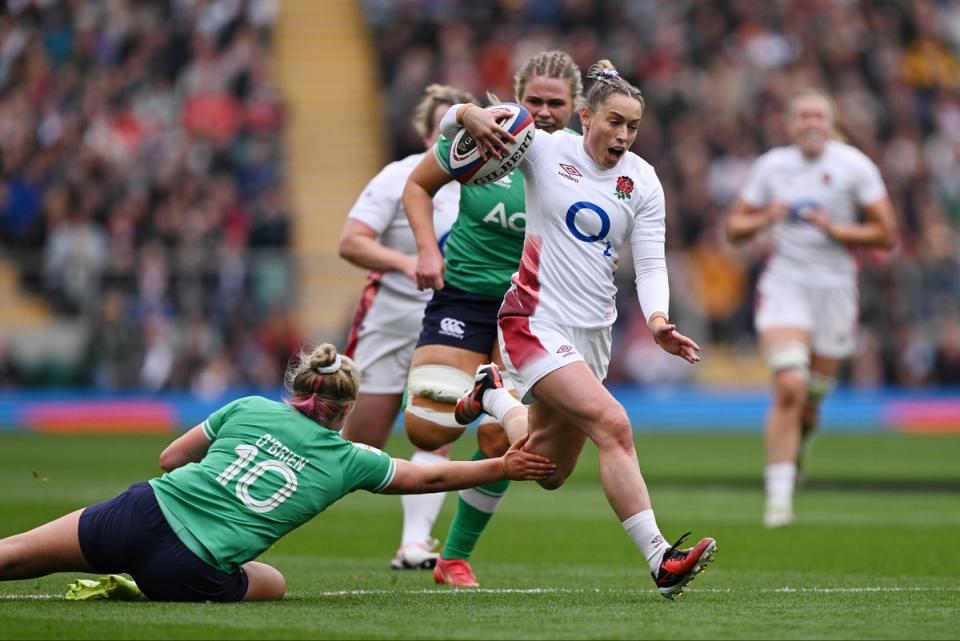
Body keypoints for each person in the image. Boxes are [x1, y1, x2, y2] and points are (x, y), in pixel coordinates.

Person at [422, 60, 717, 600]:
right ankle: (661, 559)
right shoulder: (542, 146)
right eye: (614, 121)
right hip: (534, 319)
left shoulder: (643, 180)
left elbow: (650, 264)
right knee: (614, 424)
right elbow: (449, 132)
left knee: (549, 470)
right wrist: (467, 112)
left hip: (592, 333)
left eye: (632, 125)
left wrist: (656, 320)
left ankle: (494, 397)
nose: (623, 135)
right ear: (586, 117)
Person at [0, 343, 555, 602]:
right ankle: (136, 580)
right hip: (189, 570)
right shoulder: (352, 459)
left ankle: (122, 562)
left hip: (140, 511)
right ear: (346, 408)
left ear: (297, 386)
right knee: (274, 583)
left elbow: (169, 459)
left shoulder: (248, 407)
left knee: (19, 553)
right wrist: (504, 464)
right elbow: (428, 477)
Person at [400, 50, 583, 587]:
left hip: (531, 309)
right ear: (515, 97)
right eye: (534, 100)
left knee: (500, 443)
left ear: (576, 109)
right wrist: (427, 250)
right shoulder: (484, 135)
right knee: (424, 426)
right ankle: (484, 394)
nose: (544, 112)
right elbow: (418, 185)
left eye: (556, 103)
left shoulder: (582, 160)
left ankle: (453, 558)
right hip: (462, 298)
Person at [724, 89, 897, 528]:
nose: (810, 122)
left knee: (811, 400)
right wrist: (768, 217)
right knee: (789, 385)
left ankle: (798, 449)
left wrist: (835, 229)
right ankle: (778, 502)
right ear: (789, 122)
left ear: (831, 121)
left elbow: (886, 233)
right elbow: (735, 228)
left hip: (836, 289)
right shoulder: (772, 166)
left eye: (817, 114)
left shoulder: (854, 165)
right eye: (802, 115)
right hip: (786, 283)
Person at [337, 84, 476, 571]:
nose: (452, 135)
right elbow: (351, 242)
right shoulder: (399, 177)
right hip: (390, 321)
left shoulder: (484, 183)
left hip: (447, 324)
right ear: (425, 132)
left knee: (435, 431)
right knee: (357, 448)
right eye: (443, 126)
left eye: (460, 126)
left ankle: (415, 543)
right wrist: (408, 259)